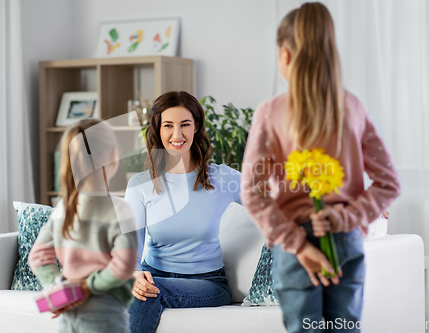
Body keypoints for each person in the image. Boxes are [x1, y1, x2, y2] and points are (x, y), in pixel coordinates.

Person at [240, 3, 401, 333]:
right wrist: (345, 218)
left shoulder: (270, 113)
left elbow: (252, 194)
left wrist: (297, 244)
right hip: (345, 241)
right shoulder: (352, 107)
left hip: (293, 245)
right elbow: (389, 184)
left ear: (284, 55)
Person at [124, 91, 241, 333]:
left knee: (148, 292)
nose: (177, 135)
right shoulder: (140, 184)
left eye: (185, 124)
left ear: (196, 126)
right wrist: (134, 274)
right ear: (158, 129)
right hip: (153, 275)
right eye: (168, 125)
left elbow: (272, 203)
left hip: (208, 283)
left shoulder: (223, 177)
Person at [28, 119, 137, 333]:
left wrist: (60, 287)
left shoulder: (63, 208)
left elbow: (38, 257)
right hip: (105, 311)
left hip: (68, 308)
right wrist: (87, 287)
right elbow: (124, 265)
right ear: (113, 157)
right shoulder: (120, 210)